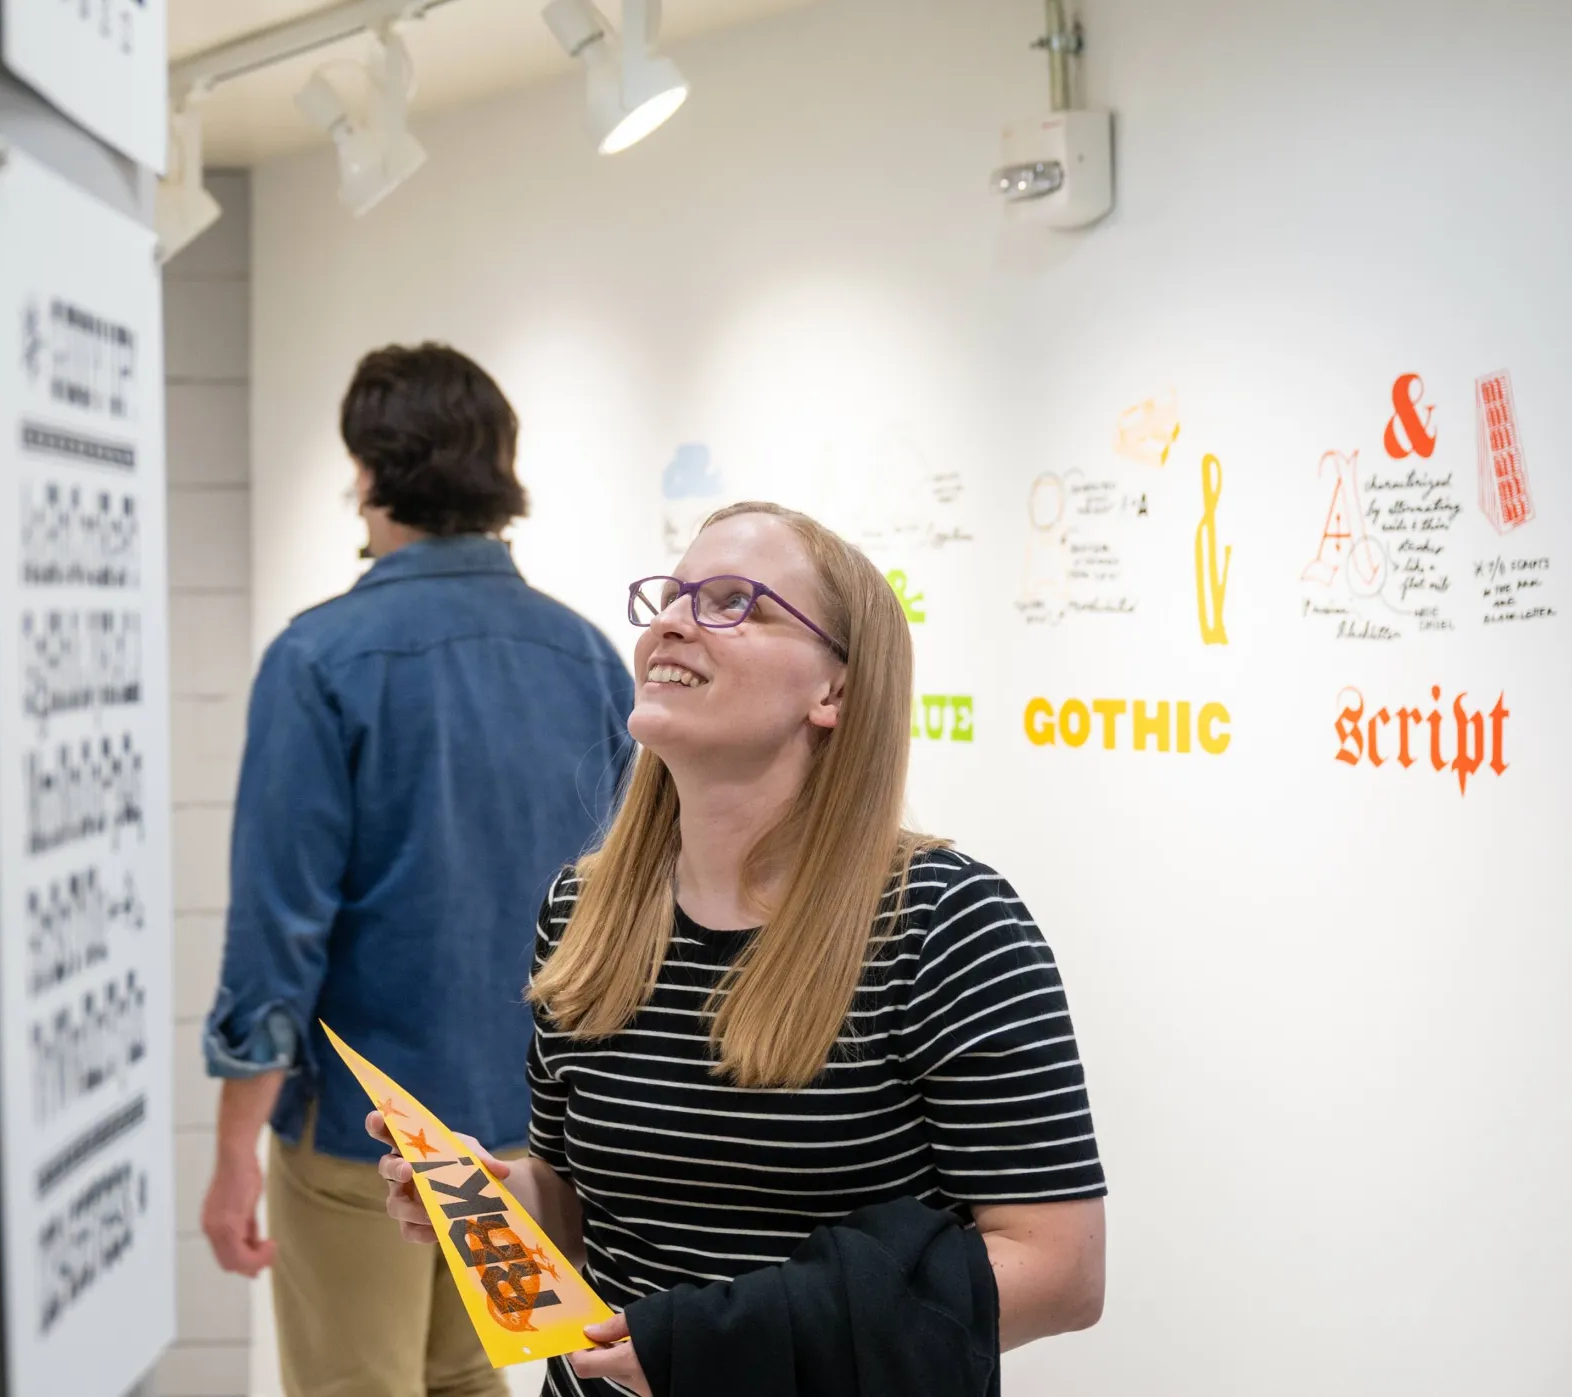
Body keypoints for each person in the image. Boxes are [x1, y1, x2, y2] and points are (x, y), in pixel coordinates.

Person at [373, 502, 1107, 1395]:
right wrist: (489, 1200)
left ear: (833, 691)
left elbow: (1059, 1272)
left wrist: (719, 1342)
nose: (672, 622)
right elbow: (578, 1206)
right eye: (672, 596)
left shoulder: (950, 924)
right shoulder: (583, 911)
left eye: (735, 602)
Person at [201, 344, 635, 1397]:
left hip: (365, 1136)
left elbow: (277, 940)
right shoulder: (586, 657)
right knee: (469, 1382)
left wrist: (229, 1157)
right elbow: (625, 912)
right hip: (525, 1138)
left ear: (365, 468)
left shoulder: (319, 659)